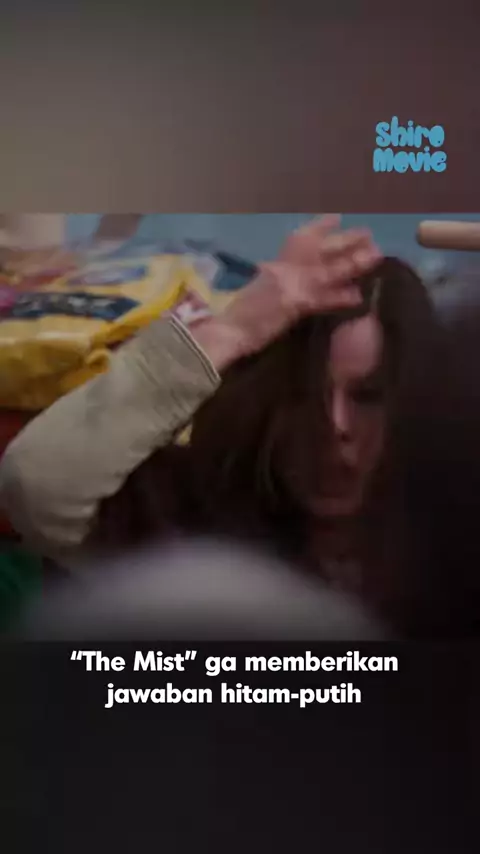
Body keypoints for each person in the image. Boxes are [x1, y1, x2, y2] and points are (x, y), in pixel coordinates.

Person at [0, 216, 473, 635]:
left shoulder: (443, 556)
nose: (335, 424)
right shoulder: (195, 527)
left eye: (366, 398)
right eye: (306, 395)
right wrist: (232, 331)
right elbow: (37, 483)